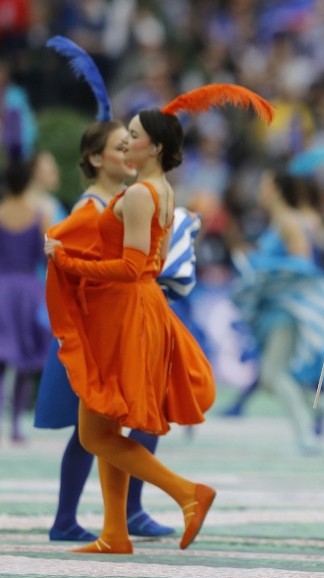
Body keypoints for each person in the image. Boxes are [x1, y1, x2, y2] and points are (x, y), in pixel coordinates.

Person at [43, 106, 219, 554]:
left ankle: (186, 493)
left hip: (125, 311)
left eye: (133, 136)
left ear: (155, 147)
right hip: (134, 309)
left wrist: (65, 259)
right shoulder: (159, 188)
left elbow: (132, 266)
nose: (126, 142)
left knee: (94, 434)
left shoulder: (141, 193)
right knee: (107, 428)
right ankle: (114, 533)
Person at [34, 119, 175, 541]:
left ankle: (113, 514)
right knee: (98, 427)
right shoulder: (91, 207)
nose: (129, 150)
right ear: (96, 158)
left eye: (132, 141)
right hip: (99, 330)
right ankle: (88, 517)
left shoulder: (131, 198)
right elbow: (70, 271)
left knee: (118, 422)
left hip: (123, 321)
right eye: (120, 145)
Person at [231, 168, 324, 454]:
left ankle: (309, 435)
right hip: (274, 309)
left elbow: (302, 264)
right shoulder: (279, 221)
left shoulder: (288, 221)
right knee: (274, 378)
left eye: (265, 185)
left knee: (273, 374)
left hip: (286, 310)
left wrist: (259, 266)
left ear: (277, 189)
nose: (260, 190)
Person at [0, 155, 52, 443]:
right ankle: (16, 425)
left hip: (2, 289)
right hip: (28, 293)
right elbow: (47, 257)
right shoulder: (38, 215)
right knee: (25, 361)